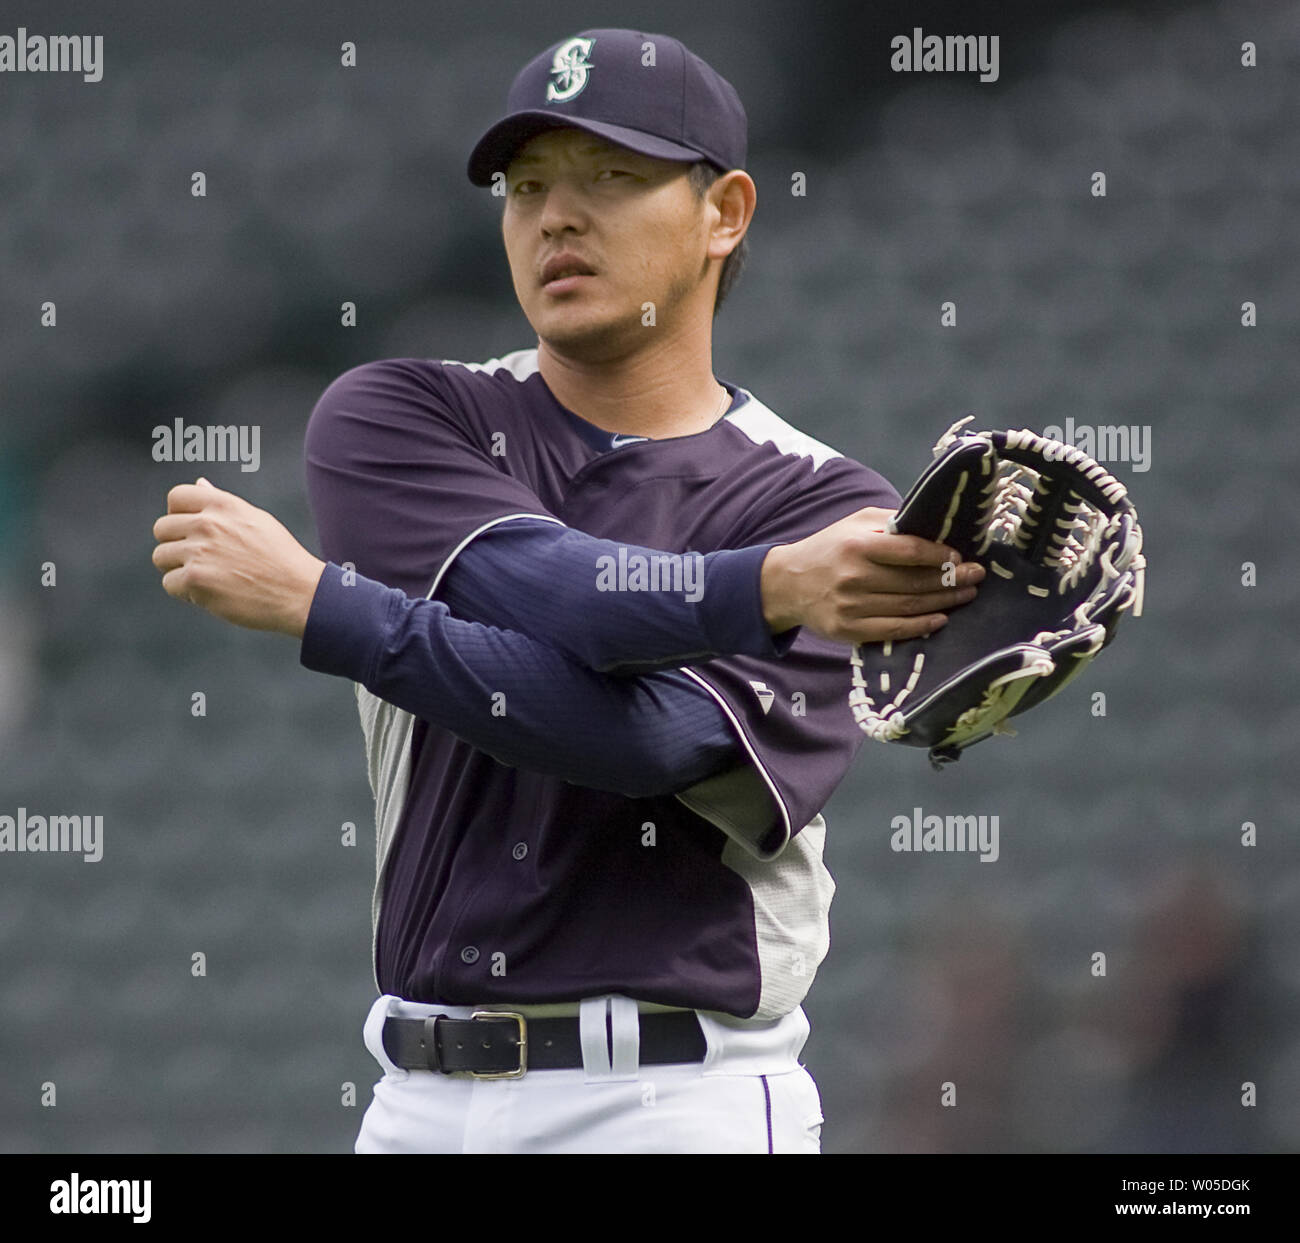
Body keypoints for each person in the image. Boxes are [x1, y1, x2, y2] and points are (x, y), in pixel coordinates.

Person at [150, 27, 983, 1153]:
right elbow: (562, 592)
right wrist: (775, 590)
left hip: (670, 1102)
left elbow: (642, 743)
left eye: (613, 176)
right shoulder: (402, 414)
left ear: (724, 212)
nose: (555, 216)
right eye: (527, 184)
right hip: (414, 1097)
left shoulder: (823, 507)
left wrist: (321, 604)